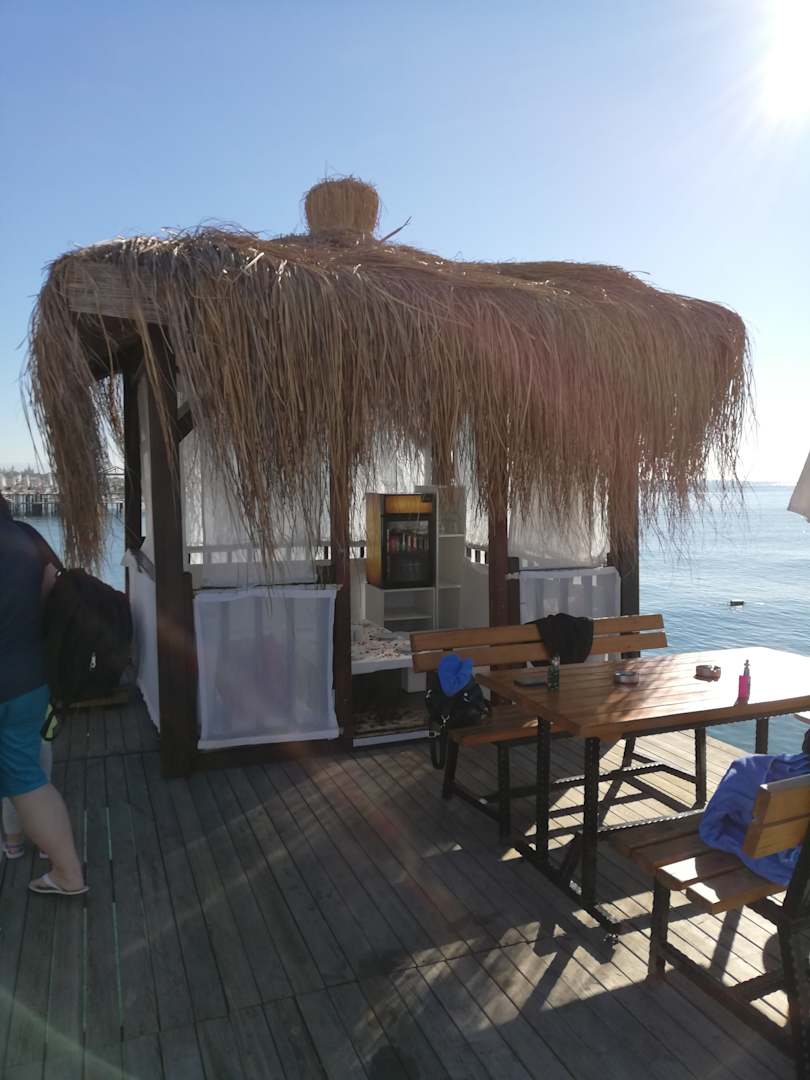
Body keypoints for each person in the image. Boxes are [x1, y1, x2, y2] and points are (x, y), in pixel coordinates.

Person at [0, 493, 86, 894]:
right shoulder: (26, 536)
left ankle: (15, 845)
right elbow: (54, 579)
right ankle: (68, 872)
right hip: (28, 679)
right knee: (27, 777)